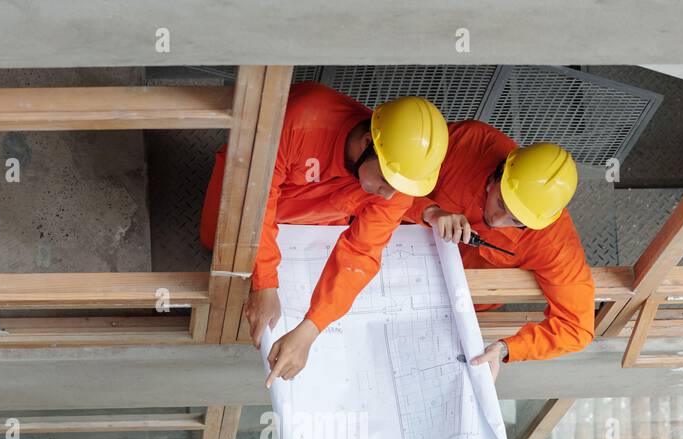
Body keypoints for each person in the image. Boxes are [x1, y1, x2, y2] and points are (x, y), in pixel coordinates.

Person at [200, 83, 448, 386]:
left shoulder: (396, 187)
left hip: (311, 218)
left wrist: (311, 328)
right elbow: (257, 196)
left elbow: (361, 254)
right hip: (252, 187)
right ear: (368, 142)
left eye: (400, 188)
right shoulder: (302, 119)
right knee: (217, 243)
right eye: (385, 181)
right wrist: (264, 283)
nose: (388, 195)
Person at [407, 121, 595, 381]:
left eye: (516, 221)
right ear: (500, 172)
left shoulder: (554, 242)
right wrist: (428, 211)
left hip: (454, 300)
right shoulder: (467, 143)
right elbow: (387, 173)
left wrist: (507, 348)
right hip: (397, 246)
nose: (497, 220)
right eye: (500, 202)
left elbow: (577, 327)